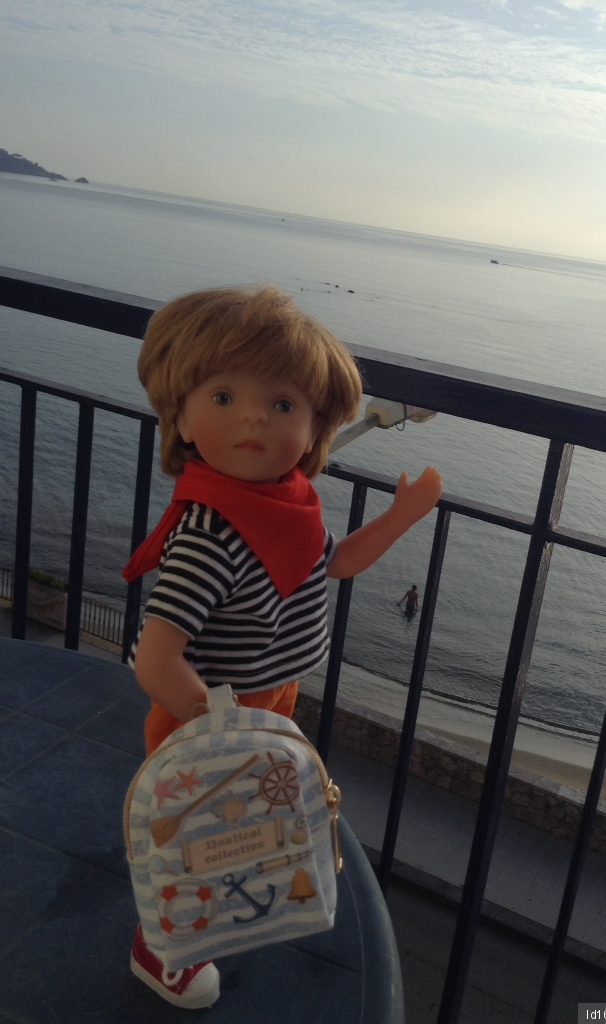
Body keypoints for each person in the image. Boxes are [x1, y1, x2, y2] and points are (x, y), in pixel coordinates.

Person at [122, 284, 442, 1009]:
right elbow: (155, 658)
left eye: (284, 403)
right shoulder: (211, 536)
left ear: (315, 426)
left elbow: (339, 561)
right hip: (212, 713)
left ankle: (212, 919)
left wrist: (404, 514)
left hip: (264, 699)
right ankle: (160, 950)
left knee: (232, 831)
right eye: (224, 396)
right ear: (182, 414)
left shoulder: (286, 505)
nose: (255, 418)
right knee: (190, 838)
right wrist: (226, 729)